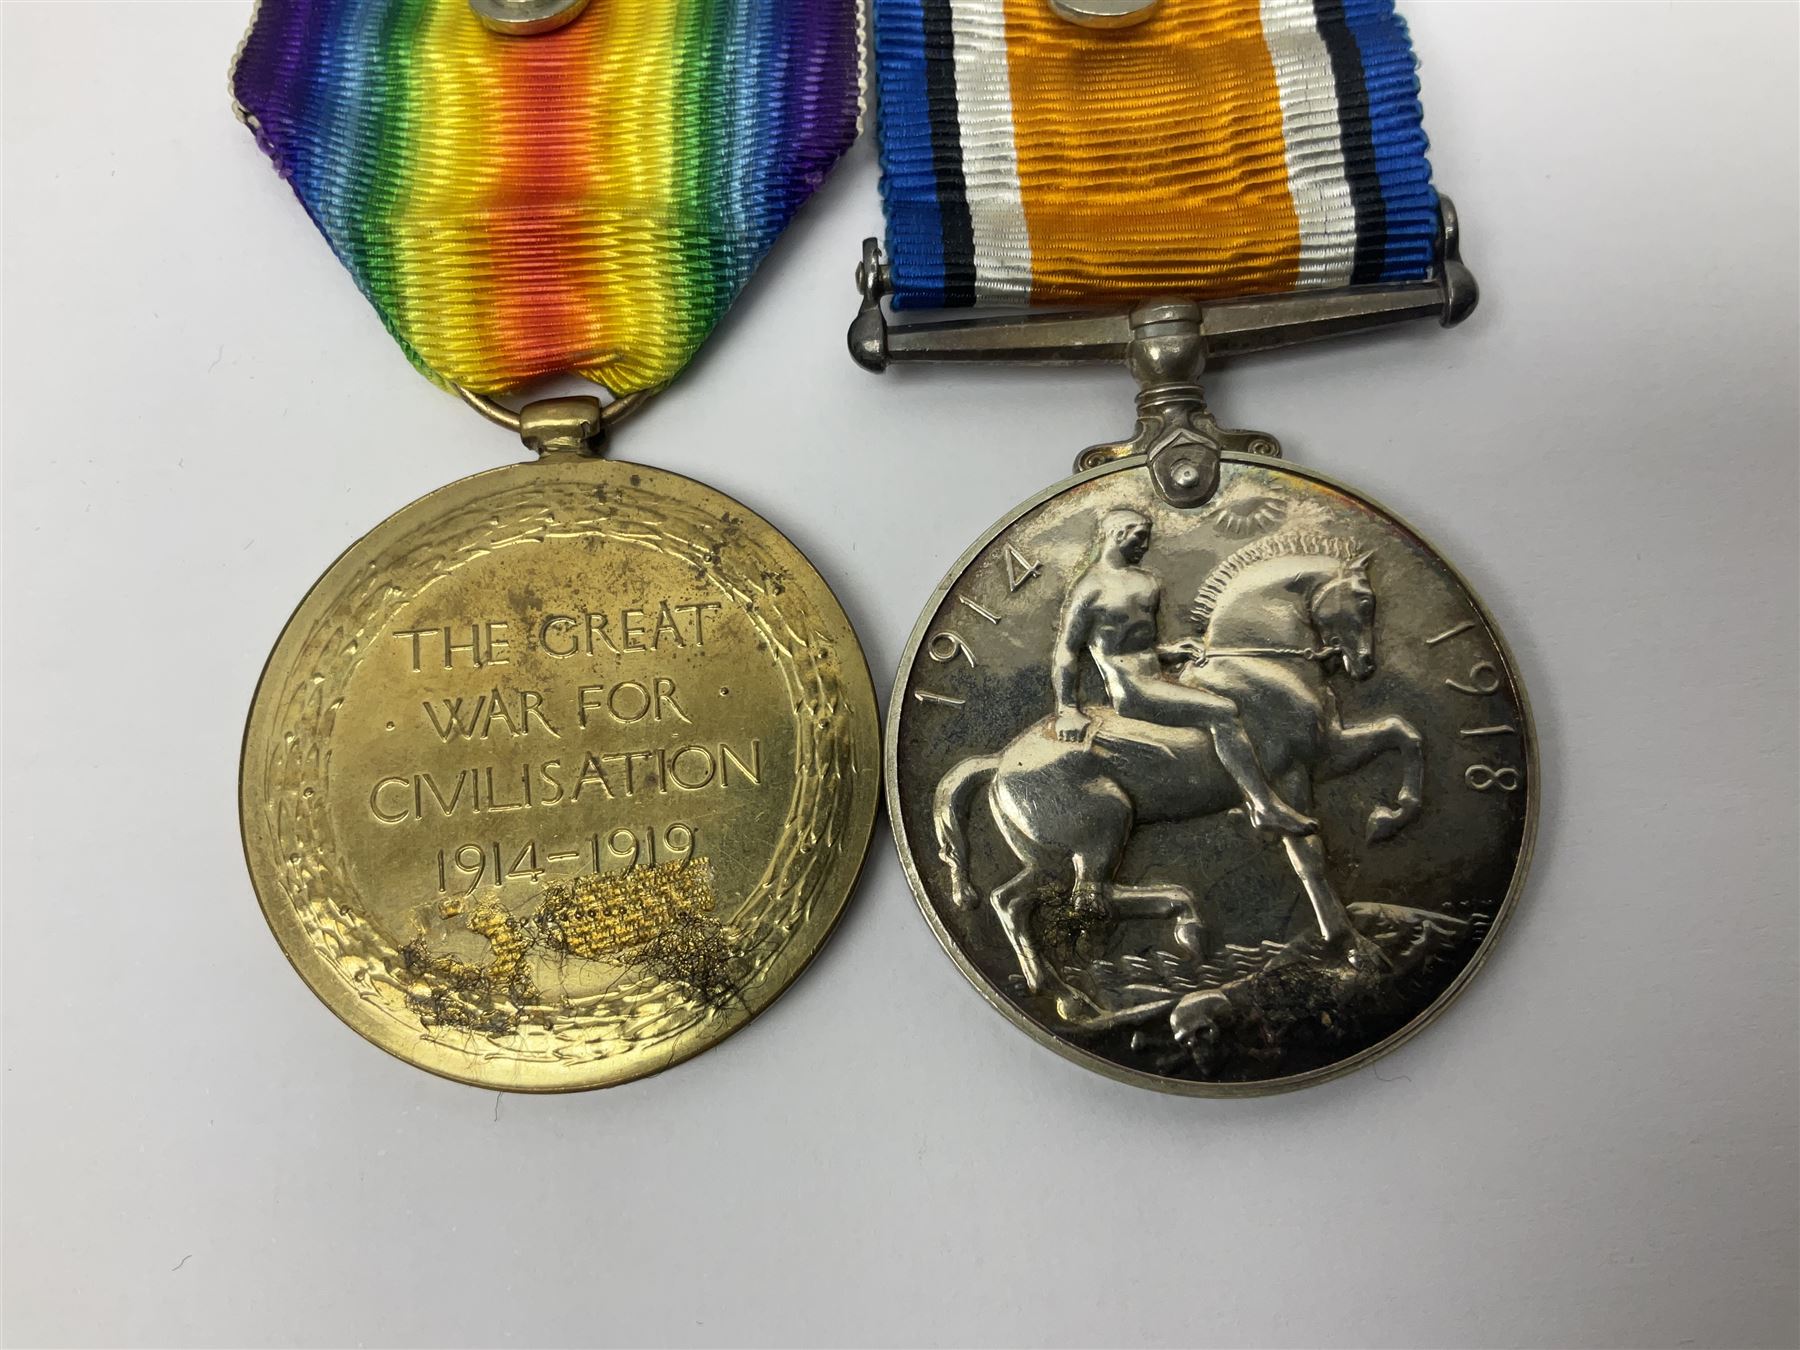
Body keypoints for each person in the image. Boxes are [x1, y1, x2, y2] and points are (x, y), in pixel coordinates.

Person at [1052, 508, 1315, 836]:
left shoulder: (1147, 582)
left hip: (1157, 677)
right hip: (1134, 691)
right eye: (1139, 538)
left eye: (1146, 538)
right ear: (1118, 535)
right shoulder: (1090, 588)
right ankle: (1263, 806)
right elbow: (1067, 649)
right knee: (1223, 711)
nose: (1145, 546)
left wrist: (1171, 651)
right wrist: (1066, 709)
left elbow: (1137, 644)